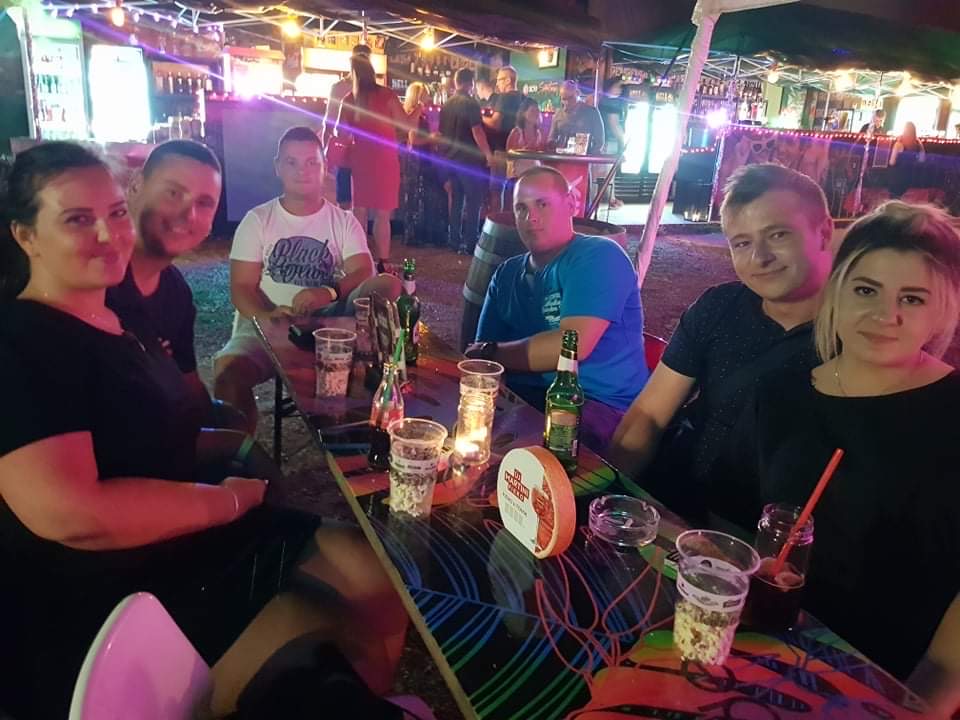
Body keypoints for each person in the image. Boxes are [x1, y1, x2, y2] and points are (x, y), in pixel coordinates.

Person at [0, 142, 408, 719]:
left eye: (113, 214)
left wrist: (235, 447)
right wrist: (227, 501)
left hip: (187, 528)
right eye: (77, 219)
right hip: (113, 585)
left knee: (375, 572)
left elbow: (171, 418)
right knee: (325, 635)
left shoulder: (118, 318)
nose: (108, 234)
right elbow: (71, 514)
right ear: (26, 236)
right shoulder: (23, 338)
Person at [714, 202, 960, 714]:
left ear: (942, 310)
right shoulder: (779, 392)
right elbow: (730, 517)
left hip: (884, 676)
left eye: (912, 298)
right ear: (837, 290)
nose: (885, 315)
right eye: (866, 290)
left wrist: (920, 704)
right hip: (761, 646)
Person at [608, 163, 833, 521]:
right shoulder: (718, 307)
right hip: (678, 505)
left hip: (774, 532)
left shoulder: (861, 333)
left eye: (778, 235)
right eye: (742, 243)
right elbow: (648, 416)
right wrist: (608, 498)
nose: (760, 257)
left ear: (824, 232)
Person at [213, 127, 401, 433]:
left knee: (387, 284)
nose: (302, 171)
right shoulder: (258, 220)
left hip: (330, 323)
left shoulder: (343, 221)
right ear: (277, 167)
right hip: (270, 321)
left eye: (312, 162)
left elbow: (363, 270)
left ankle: (370, 412)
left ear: (325, 167)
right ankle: (240, 452)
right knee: (227, 373)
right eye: (292, 162)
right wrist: (268, 315)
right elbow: (241, 288)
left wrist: (328, 292)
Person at [466, 166, 647, 452]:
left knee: (525, 453)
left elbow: (571, 347)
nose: (531, 217)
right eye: (521, 208)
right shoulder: (507, 273)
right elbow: (482, 359)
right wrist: (487, 362)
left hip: (598, 404)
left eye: (542, 204)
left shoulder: (599, 256)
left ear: (571, 204)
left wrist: (492, 354)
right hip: (527, 397)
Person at [104, 139, 246, 431]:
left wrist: (224, 431)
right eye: (173, 193)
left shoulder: (175, 292)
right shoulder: (94, 278)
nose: (188, 214)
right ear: (135, 185)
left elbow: (187, 382)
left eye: (204, 203)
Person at [335, 56, 417, 266]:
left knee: (359, 211)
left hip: (361, 160)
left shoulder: (348, 100)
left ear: (353, 74)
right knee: (383, 215)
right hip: (385, 159)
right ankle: (383, 261)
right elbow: (406, 125)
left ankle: (360, 258)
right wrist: (418, 108)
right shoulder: (387, 95)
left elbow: (341, 133)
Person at [438, 67, 494, 254]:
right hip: (469, 161)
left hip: (450, 159)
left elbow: (441, 134)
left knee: (456, 201)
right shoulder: (471, 104)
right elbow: (477, 131)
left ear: (456, 82)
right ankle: (471, 243)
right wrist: (488, 154)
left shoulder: (447, 104)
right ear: (471, 83)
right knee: (473, 202)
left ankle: (454, 241)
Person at [322, 44, 371, 211]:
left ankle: (347, 220)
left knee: (349, 193)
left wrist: (326, 146)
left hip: (351, 144)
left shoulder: (341, 87)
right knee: (354, 193)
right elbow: (329, 120)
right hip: (357, 145)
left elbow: (329, 120)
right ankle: (352, 222)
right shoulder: (371, 89)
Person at [400, 81, 433, 246]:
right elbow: (414, 141)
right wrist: (432, 138)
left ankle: (412, 234)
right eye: (426, 95)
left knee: (413, 197)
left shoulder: (414, 115)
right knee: (414, 197)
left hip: (416, 160)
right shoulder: (415, 116)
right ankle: (412, 236)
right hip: (416, 161)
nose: (429, 99)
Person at [503, 97, 543, 209]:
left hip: (534, 178)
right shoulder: (516, 132)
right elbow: (509, 155)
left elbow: (541, 155)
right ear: (523, 113)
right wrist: (525, 150)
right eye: (532, 111)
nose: (536, 114)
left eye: (537, 111)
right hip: (517, 177)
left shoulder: (539, 133)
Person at [547, 80, 605, 155]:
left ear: (577, 93)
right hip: (561, 157)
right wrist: (553, 145)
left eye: (570, 98)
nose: (567, 102)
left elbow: (599, 141)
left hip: (582, 158)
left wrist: (590, 157)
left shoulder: (591, 112)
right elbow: (551, 138)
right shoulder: (558, 114)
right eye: (564, 99)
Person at [596, 76, 627, 208]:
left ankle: (604, 198)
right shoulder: (613, 103)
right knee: (609, 172)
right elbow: (614, 124)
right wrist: (622, 140)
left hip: (601, 139)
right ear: (611, 87)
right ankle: (610, 199)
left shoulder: (601, 101)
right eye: (618, 86)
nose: (620, 89)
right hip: (610, 140)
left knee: (601, 172)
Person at [889, 121, 927, 199]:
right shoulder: (919, 145)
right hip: (911, 176)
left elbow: (892, 162)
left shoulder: (899, 144)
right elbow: (922, 161)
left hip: (897, 177)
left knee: (894, 198)